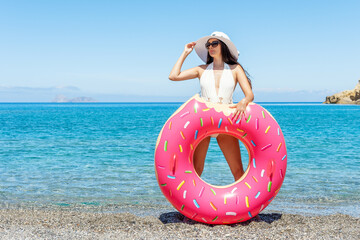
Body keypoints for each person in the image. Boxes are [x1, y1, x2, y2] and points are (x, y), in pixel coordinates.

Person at [169, 31, 254, 181]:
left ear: (224, 46)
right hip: (204, 122)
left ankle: (242, 205)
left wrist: (243, 102)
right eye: (208, 45)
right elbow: (173, 76)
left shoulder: (235, 69)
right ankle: (190, 204)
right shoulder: (201, 69)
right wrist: (185, 53)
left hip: (226, 122)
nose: (210, 47)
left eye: (214, 43)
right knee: (196, 170)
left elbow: (249, 94)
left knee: (237, 172)